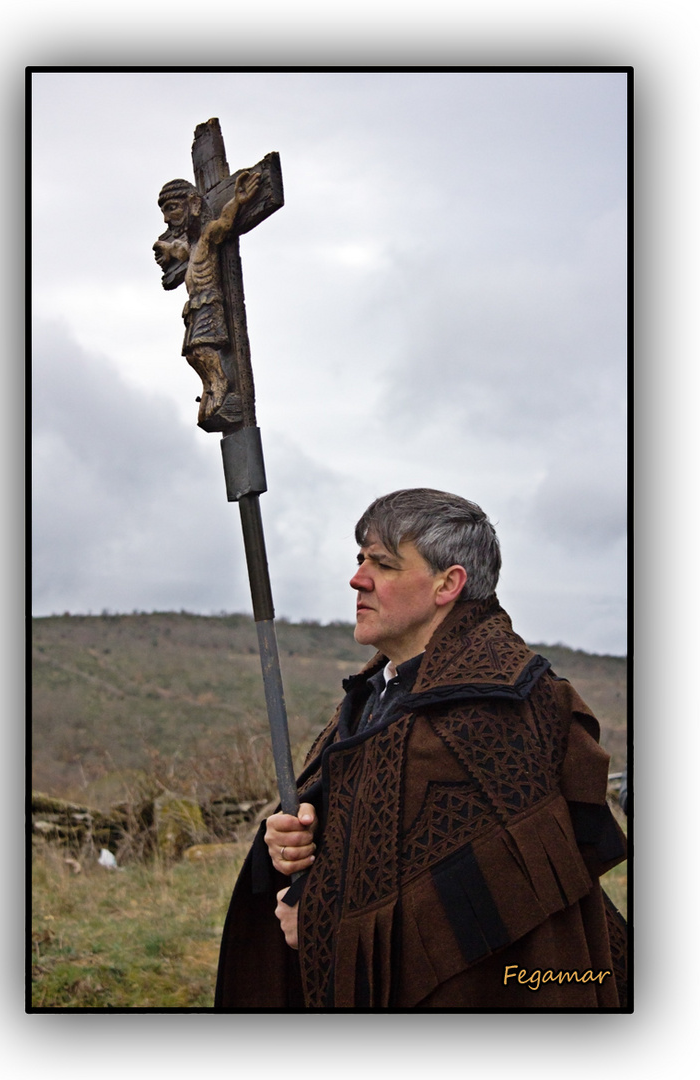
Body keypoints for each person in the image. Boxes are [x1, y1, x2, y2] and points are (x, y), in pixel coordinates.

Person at [215, 489, 628, 1009]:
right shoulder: (375, 693)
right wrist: (292, 838)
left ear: (447, 584)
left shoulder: (499, 708)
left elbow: (506, 893)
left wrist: (325, 924)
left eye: (383, 564)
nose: (357, 578)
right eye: (360, 558)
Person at [153, 170, 259, 427]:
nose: (168, 219)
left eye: (172, 209)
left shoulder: (209, 234)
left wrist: (238, 200)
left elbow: (224, 223)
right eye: (165, 213)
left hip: (209, 301)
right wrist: (165, 249)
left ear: (194, 203)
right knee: (193, 355)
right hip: (195, 305)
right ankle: (211, 387)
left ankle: (220, 384)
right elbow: (178, 250)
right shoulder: (193, 244)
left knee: (202, 349)